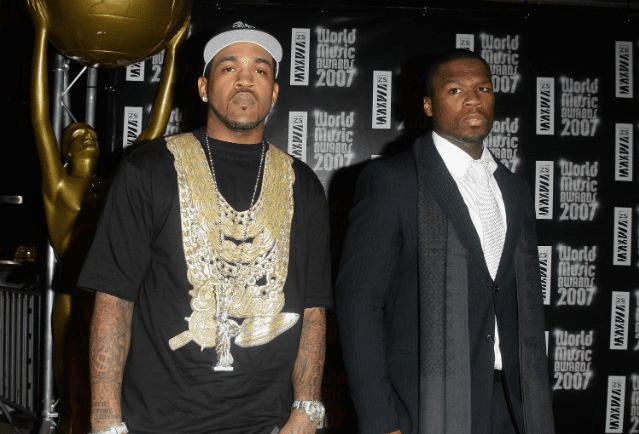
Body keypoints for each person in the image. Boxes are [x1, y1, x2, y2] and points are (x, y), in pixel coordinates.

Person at [78, 21, 331, 434]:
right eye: (229, 68)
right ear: (203, 87)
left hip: (267, 423)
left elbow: (313, 308)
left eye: (260, 70)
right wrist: (105, 420)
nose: (245, 80)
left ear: (274, 92)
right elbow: (114, 299)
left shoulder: (301, 183)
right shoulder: (149, 170)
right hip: (158, 423)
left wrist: (306, 409)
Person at [335, 49, 554, 434]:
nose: (472, 99)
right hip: (425, 403)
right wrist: (380, 420)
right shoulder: (394, 181)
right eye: (455, 90)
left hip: (512, 405)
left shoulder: (515, 190)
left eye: (483, 88)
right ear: (428, 105)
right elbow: (359, 304)